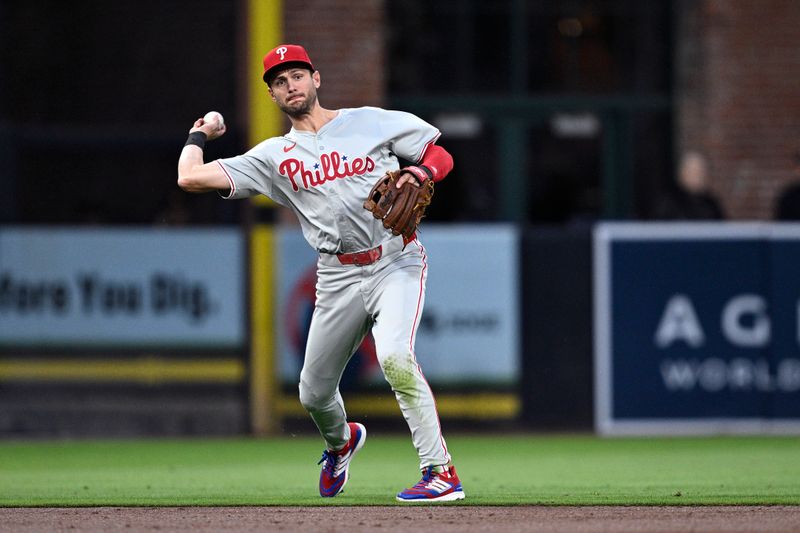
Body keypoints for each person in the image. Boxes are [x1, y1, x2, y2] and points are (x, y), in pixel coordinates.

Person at [177, 44, 464, 503]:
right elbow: (189, 178)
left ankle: (440, 472)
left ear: (316, 79)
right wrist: (198, 133)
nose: (290, 85)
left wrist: (422, 172)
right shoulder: (273, 156)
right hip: (336, 276)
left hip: (395, 259)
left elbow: (439, 153)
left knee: (394, 356)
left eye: (296, 75)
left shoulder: (369, 121)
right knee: (312, 392)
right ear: (273, 96)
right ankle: (341, 442)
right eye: (279, 81)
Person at [652, 150, 725, 220]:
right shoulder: (669, 205)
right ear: (682, 174)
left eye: (701, 172)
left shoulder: (711, 205)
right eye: (693, 172)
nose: (698, 177)